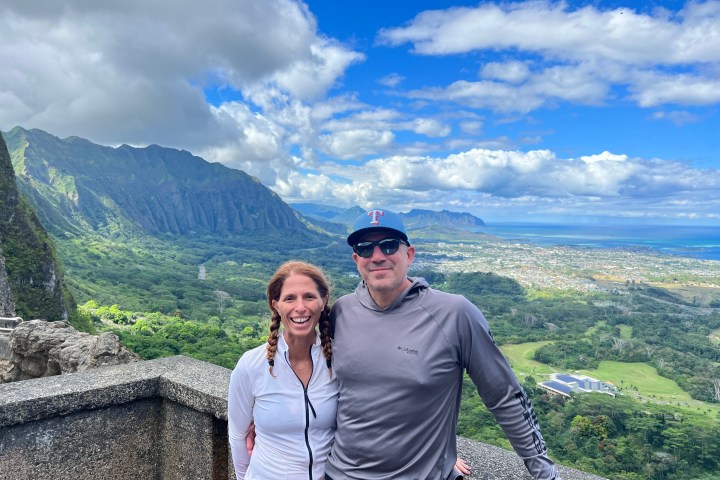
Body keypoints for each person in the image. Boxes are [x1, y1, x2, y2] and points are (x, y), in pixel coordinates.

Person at [323, 208, 560, 480]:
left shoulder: (455, 314)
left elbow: (504, 396)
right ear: (357, 259)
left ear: (409, 255)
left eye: (389, 246)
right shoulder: (341, 311)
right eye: (365, 249)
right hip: (339, 473)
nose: (377, 257)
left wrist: (545, 473)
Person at [228, 260, 337, 479]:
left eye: (309, 296)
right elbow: (238, 436)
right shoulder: (252, 365)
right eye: (290, 298)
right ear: (275, 304)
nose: (300, 307)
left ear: (323, 301)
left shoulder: (340, 359)